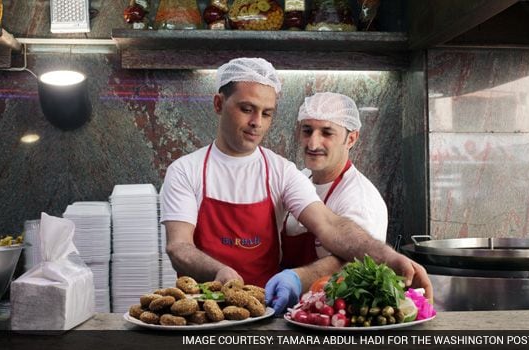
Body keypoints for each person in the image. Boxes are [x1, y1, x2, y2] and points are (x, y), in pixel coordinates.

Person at [160, 57, 432, 314]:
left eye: (267, 113)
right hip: (199, 312)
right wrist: (219, 272)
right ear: (219, 104)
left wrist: (389, 257)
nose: (257, 122)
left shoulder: (282, 172)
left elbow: (331, 225)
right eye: (246, 109)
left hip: (265, 308)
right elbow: (178, 247)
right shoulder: (186, 170)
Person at [279, 92, 388, 269]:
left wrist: (297, 280)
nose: (313, 144)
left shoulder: (361, 201)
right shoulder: (299, 179)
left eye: (327, 133)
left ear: (351, 139)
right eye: (307, 131)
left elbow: (353, 267)